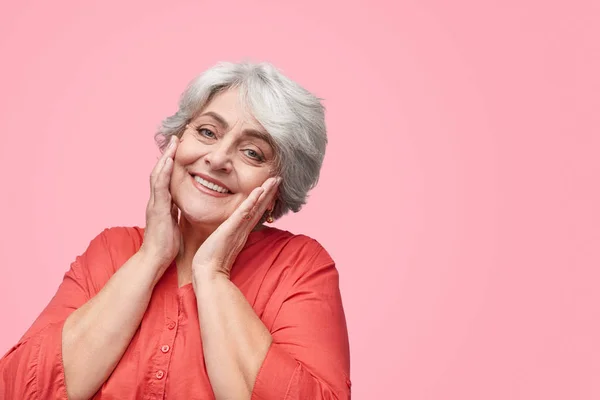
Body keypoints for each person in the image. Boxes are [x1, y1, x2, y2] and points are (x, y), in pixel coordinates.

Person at [0, 61, 351, 399]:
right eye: (207, 132)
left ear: (278, 188)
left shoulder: (299, 267)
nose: (217, 158)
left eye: (252, 153)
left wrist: (211, 273)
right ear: (175, 141)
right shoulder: (110, 250)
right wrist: (150, 257)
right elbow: (17, 391)